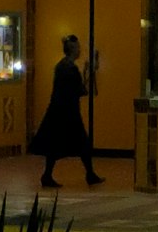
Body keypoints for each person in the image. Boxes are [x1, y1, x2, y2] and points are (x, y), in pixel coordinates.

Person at [29, 34, 104, 188]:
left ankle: (48, 175)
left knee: (53, 146)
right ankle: (89, 174)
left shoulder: (60, 66)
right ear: (73, 50)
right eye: (78, 48)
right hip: (69, 113)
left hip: (56, 110)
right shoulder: (71, 68)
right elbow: (80, 90)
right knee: (83, 143)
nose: (80, 51)